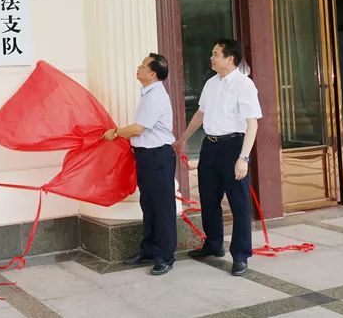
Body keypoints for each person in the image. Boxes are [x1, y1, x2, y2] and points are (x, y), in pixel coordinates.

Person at [173, 39, 262, 276]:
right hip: (210, 146)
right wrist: (182, 139)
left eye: (215, 54)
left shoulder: (244, 85)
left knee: (239, 203)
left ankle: (241, 255)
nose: (211, 58)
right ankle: (213, 244)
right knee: (209, 198)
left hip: (234, 146)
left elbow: (252, 124)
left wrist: (243, 158)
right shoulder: (211, 84)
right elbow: (201, 114)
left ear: (229, 58)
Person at [104, 53, 177, 275]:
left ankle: (165, 256)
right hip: (146, 156)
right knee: (149, 204)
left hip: (158, 156)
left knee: (162, 208)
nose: (139, 67)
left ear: (152, 73)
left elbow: (138, 128)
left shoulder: (156, 96)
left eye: (143, 65)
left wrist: (115, 133)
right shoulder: (148, 93)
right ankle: (149, 249)